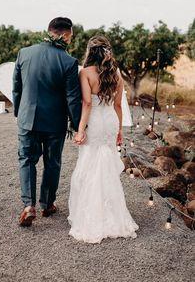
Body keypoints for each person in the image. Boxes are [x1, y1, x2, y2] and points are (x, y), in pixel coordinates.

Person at [68, 35, 139, 243]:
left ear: (90, 51)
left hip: (96, 121)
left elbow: (87, 104)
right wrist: (119, 131)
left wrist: (80, 130)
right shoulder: (116, 73)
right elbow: (118, 106)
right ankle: (114, 215)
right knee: (106, 165)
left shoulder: (86, 73)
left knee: (90, 164)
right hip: (109, 121)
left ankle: (92, 215)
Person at [12, 17, 82, 227]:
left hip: (28, 120)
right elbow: (72, 98)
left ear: (49, 31)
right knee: (52, 163)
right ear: (66, 35)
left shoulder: (25, 53)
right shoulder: (69, 62)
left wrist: (19, 112)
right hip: (54, 123)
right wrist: (79, 126)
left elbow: (17, 87)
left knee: (26, 160)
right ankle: (47, 204)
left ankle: (28, 205)